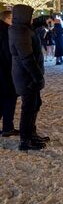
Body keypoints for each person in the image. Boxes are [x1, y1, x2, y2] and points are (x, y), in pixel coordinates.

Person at [9, 5, 49, 151]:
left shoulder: (23, 29)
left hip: (28, 76)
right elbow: (27, 58)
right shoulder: (20, 32)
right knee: (28, 108)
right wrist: (37, 77)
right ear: (23, 16)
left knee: (35, 104)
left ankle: (31, 134)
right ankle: (25, 140)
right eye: (29, 16)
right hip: (26, 77)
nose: (31, 18)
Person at [0, 10, 19, 138]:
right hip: (6, 72)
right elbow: (9, 54)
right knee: (9, 99)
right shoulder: (7, 32)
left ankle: (7, 127)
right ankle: (8, 127)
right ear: (7, 19)